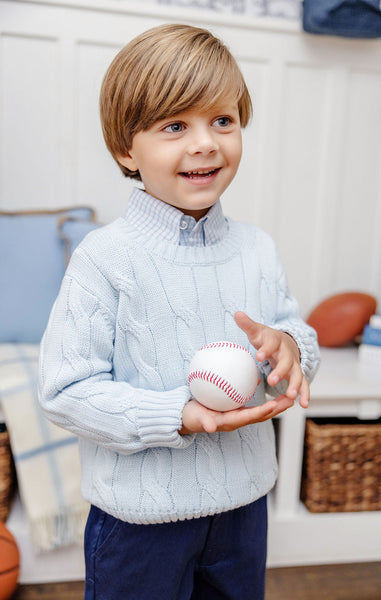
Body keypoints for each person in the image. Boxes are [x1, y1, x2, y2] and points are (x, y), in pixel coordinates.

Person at [38, 23, 320, 600]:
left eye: (223, 120)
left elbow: (293, 330)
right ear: (126, 148)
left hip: (243, 510)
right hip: (139, 525)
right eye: (175, 126)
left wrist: (291, 347)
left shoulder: (257, 248)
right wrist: (179, 415)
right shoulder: (105, 258)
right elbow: (65, 389)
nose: (206, 144)